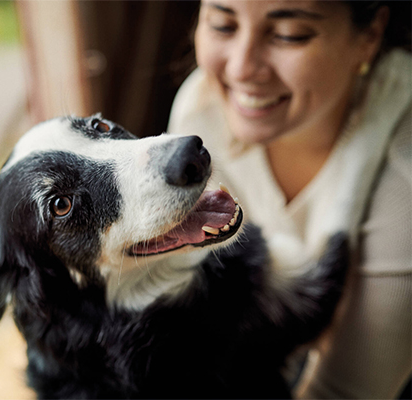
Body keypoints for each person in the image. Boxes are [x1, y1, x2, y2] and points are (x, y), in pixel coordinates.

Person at [168, 1, 411, 398]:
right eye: (223, 25)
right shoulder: (202, 110)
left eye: (289, 35)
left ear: (369, 36)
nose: (242, 68)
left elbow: (347, 391)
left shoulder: (405, 169)